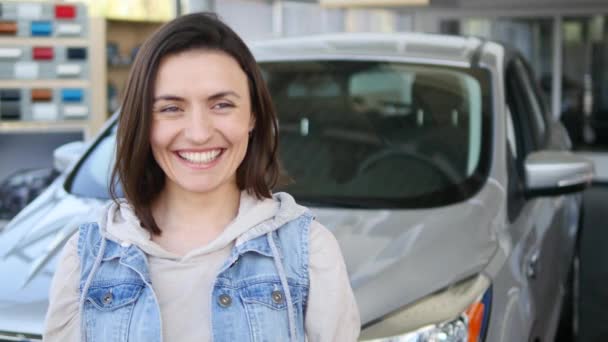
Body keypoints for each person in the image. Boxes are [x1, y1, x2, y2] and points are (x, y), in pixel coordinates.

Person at [43, 12, 360, 342]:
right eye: (171, 108)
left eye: (221, 104)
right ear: (143, 122)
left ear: (253, 115)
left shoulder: (308, 252)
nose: (198, 134)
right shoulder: (86, 259)